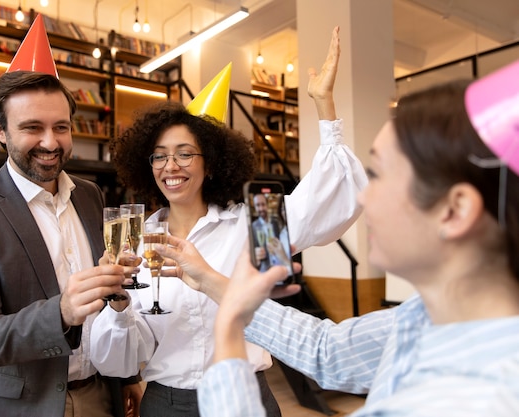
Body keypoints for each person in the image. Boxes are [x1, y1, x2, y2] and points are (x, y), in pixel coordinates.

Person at [156, 68, 519, 416]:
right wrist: (221, 293)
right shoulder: (418, 318)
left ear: (455, 210)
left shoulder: (478, 393)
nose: (363, 198)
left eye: (381, 175)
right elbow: (325, 350)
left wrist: (228, 325)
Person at [89, 26, 367, 417]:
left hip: (246, 399)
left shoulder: (256, 223)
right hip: (167, 403)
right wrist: (117, 304)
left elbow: (333, 198)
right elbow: (117, 361)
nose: (171, 166)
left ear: (212, 163)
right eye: (160, 156)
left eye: (185, 154)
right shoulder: (136, 240)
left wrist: (324, 106)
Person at [0, 16, 140, 417]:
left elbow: (104, 298)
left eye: (60, 127)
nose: (50, 142)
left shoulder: (89, 195)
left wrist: (125, 375)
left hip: (101, 394)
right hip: (20, 408)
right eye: (32, 127)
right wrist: (61, 312)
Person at [251, 193, 281, 271]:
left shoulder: (275, 223)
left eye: (263, 204)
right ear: (255, 207)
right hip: (264, 270)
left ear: (267, 205)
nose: (261, 208)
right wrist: (255, 255)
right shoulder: (253, 227)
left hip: (280, 266)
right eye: (258, 205)